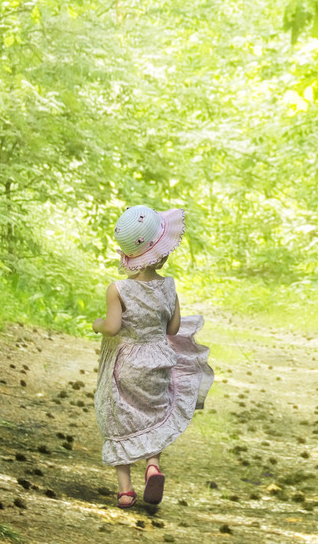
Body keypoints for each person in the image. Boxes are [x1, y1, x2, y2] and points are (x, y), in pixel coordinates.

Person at [91, 205, 214, 509]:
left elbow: (112, 327)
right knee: (154, 414)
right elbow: (173, 329)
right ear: (162, 254)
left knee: (117, 417)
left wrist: (98, 325)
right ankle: (152, 466)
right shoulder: (169, 286)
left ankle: (125, 490)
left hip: (126, 363)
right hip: (157, 361)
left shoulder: (118, 289)